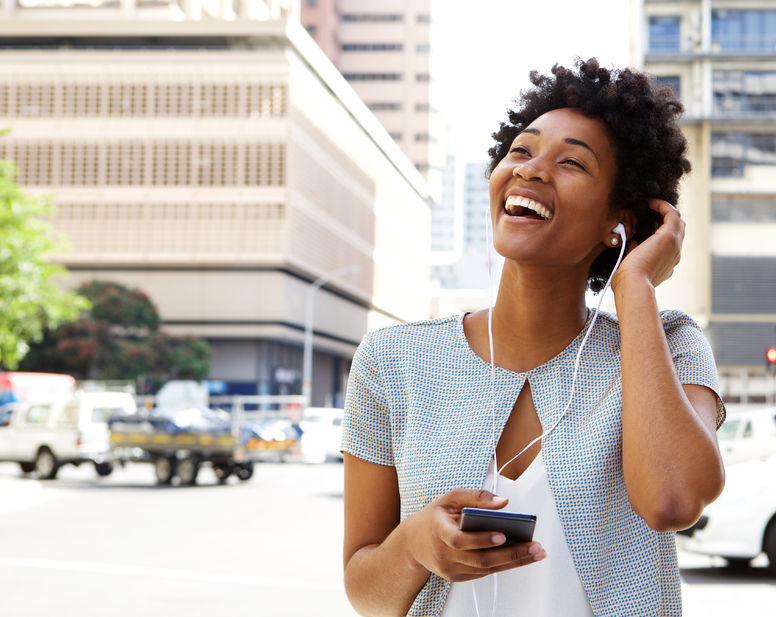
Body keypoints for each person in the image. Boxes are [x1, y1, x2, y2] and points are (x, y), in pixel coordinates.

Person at [341, 58, 726, 617]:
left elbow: (672, 499)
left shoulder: (668, 345)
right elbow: (366, 594)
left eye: (571, 162)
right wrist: (415, 545)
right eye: (520, 151)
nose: (531, 170)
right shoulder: (393, 361)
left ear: (617, 223)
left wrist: (635, 285)